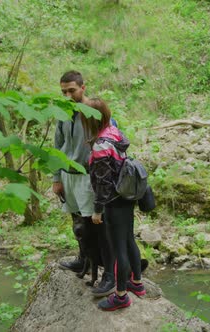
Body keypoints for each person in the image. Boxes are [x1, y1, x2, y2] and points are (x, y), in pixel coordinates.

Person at [54, 71, 115, 296]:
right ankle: (83, 259)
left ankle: (109, 274)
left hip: (89, 176)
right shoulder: (62, 114)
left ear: (83, 87)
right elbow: (57, 146)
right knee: (78, 224)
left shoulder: (95, 112)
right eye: (64, 92)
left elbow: (112, 137)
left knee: (98, 227)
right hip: (68, 175)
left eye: (72, 90)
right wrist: (56, 177)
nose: (68, 95)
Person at [81, 98, 146, 311]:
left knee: (119, 249)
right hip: (127, 196)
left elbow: (102, 183)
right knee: (129, 241)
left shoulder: (101, 145)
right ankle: (137, 283)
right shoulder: (114, 133)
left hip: (113, 202)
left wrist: (97, 211)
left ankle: (120, 296)